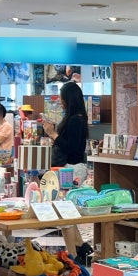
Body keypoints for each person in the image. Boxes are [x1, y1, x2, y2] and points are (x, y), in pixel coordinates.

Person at [41, 82, 91, 264]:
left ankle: (73, 256)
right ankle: (80, 247)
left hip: (71, 168)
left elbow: (71, 147)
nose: (60, 103)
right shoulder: (76, 118)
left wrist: (53, 134)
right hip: (68, 168)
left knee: (64, 214)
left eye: (61, 99)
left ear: (68, 99)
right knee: (65, 211)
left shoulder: (75, 120)